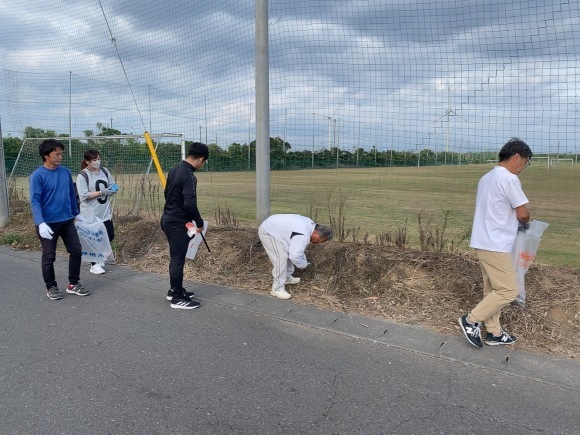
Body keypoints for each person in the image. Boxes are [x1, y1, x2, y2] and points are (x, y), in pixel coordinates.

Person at [459, 138, 532, 347]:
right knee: (509, 290)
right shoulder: (509, 179)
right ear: (516, 157)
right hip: (496, 242)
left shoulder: (487, 177)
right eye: (525, 162)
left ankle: (494, 332)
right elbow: (523, 212)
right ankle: (471, 320)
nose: (523, 167)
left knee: (493, 290)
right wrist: (527, 221)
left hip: (483, 240)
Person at [29, 139, 90, 300]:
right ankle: (51, 286)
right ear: (46, 155)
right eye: (57, 154)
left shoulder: (65, 172)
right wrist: (40, 222)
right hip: (47, 223)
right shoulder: (37, 176)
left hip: (67, 220)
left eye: (61, 153)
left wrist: (76, 213)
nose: (60, 157)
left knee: (76, 250)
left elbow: (71, 194)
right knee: (49, 256)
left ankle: (73, 283)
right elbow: (35, 201)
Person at [160, 142, 209, 309]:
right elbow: (190, 203)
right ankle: (177, 298)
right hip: (176, 222)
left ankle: (176, 289)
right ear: (201, 159)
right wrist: (199, 222)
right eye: (204, 162)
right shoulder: (189, 175)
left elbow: (166, 193)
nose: (202, 165)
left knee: (176, 257)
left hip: (168, 218)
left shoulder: (175, 169)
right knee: (178, 259)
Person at [258, 214, 333, 300]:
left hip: (277, 230)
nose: (317, 243)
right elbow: (294, 255)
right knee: (281, 257)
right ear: (316, 232)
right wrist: (304, 265)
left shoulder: (310, 226)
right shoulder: (303, 234)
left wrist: (304, 261)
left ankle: (286, 277)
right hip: (268, 231)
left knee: (287, 252)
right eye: (319, 240)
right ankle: (277, 288)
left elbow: (296, 250)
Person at [76, 149, 117, 274]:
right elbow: (83, 195)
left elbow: (112, 184)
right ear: (87, 161)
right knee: (93, 238)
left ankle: (101, 256)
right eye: (94, 160)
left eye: (98, 158)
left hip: (104, 211)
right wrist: (101, 192)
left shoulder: (104, 171)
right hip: (90, 212)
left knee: (109, 234)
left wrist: (113, 189)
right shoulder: (83, 175)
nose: (97, 161)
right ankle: (94, 264)